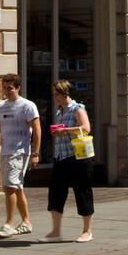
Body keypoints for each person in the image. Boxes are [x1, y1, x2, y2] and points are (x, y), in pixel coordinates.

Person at [0, 72, 40, 237]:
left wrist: (36, 153)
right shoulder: (1, 106)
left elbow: (37, 129)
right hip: (6, 151)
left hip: (20, 152)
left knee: (9, 187)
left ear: (18, 88)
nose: (6, 91)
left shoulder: (27, 106)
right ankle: (26, 222)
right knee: (17, 188)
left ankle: (9, 224)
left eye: (10, 88)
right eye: (4, 88)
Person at [43, 80, 93, 243]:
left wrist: (65, 131)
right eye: (54, 94)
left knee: (82, 191)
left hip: (77, 157)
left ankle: (87, 231)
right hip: (61, 157)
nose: (55, 97)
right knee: (56, 193)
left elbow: (86, 128)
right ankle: (56, 231)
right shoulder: (60, 111)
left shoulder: (77, 108)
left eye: (57, 94)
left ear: (65, 93)